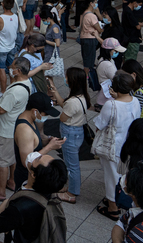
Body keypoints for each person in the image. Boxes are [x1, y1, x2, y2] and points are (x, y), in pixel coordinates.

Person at [0, 57, 32, 202]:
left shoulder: (15, 91)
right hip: (14, 127)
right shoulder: (26, 83)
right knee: (12, 157)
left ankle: (0, 192)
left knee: (2, 161)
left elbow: (2, 109)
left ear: (19, 71)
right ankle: (12, 180)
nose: (10, 69)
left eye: (12, 67)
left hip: (6, 130)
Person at [0, 153, 69, 243]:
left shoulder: (20, 207)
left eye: (38, 158)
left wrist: (6, 202)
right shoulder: (50, 190)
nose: (37, 155)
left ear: (34, 174)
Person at [94, 71, 142, 220]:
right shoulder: (134, 100)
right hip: (128, 144)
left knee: (111, 177)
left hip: (112, 146)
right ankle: (118, 198)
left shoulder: (110, 104)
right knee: (122, 173)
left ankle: (113, 208)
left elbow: (99, 124)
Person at [48, 67, 90, 203]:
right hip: (77, 132)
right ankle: (71, 187)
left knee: (72, 165)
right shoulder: (80, 96)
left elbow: (63, 117)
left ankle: (71, 194)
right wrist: (55, 92)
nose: (65, 79)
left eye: (67, 77)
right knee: (71, 162)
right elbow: (64, 105)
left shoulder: (73, 102)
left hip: (70, 133)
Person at [13, 93, 65, 190]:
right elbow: (27, 161)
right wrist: (49, 147)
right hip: (27, 179)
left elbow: (33, 144)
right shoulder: (25, 130)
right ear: (35, 111)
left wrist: (47, 142)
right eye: (45, 113)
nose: (46, 117)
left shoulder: (29, 119)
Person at [0, 0, 19, 99]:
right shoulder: (15, 16)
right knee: (11, 68)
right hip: (12, 46)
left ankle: (3, 92)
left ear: (2, 4)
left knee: (1, 70)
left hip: (2, 48)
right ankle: (12, 90)